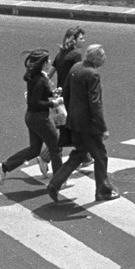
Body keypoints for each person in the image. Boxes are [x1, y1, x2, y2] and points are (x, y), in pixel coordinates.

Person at [48, 44, 117, 203]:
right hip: (88, 124)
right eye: (103, 56)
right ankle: (103, 190)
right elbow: (95, 104)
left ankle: (55, 183)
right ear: (96, 58)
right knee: (100, 156)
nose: (105, 58)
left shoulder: (76, 67)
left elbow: (66, 92)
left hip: (74, 121)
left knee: (79, 154)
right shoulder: (93, 74)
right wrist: (103, 128)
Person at [0, 49, 65, 186]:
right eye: (48, 60)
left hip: (31, 118)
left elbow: (38, 96)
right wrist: (53, 103)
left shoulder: (35, 77)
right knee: (55, 147)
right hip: (40, 119)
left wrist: (52, 93)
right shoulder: (41, 80)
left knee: (34, 150)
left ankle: (4, 167)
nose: (50, 62)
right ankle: (58, 180)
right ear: (43, 63)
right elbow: (34, 102)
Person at [47, 26, 87, 170]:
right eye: (81, 38)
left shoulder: (60, 54)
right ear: (74, 40)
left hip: (61, 96)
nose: (84, 40)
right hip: (70, 96)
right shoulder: (76, 54)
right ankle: (44, 157)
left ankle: (86, 157)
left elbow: (49, 74)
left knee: (68, 128)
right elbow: (77, 74)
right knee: (72, 128)